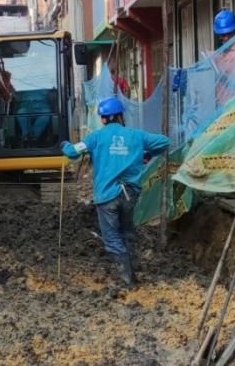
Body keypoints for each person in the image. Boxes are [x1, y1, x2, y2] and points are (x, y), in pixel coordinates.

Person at [61, 97, 169, 287]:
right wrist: (147, 154)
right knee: (126, 231)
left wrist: (64, 146)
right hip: (130, 194)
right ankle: (133, 272)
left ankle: (128, 282)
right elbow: (164, 142)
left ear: (103, 119)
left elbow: (73, 153)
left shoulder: (95, 137)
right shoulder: (136, 135)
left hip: (106, 195)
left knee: (112, 237)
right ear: (120, 116)